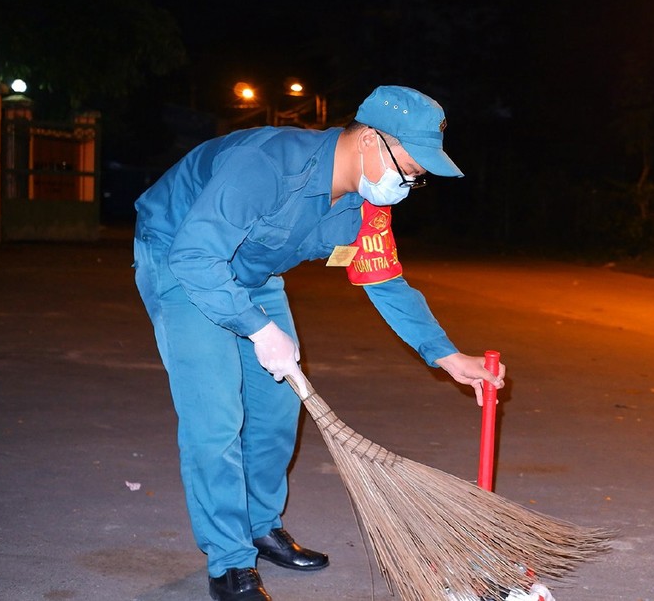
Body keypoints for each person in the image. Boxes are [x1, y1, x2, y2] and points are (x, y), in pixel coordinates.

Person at [133, 85, 506, 601]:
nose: (417, 178)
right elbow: (196, 257)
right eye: (414, 164)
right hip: (181, 258)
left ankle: (260, 527)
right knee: (216, 418)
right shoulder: (267, 166)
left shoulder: (367, 202)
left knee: (276, 410)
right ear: (372, 141)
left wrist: (444, 353)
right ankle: (229, 563)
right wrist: (259, 329)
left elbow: (383, 280)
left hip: (255, 271)